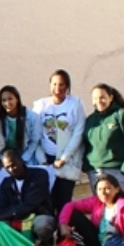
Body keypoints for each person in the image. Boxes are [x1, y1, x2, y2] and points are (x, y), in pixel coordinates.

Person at [33, 69, 87, 215]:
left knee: (64, 202)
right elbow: (35, 135)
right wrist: (42, 160)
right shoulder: (40, 105)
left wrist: (64, 157)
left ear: (67, 86)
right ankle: (48, 235)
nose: (58, 88)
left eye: (62, 84)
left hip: (66, 160)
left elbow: (78, 132)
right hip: (47, 160)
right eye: (55, 84)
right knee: (47, 202)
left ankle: (64, 234)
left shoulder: (75, 104)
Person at [84, 84, 124, 195]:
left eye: (102, 97)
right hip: (95, 173)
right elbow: (86, 145)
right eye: (95, 98)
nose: (99, 101)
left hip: (118, 173)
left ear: (111, 97)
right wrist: (86, 166)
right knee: (101, 210)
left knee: (120, 208)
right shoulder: (90, 120)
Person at [0, 85, 42, 164]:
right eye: (3, 100)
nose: (7, 103)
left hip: (26, 156)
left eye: (10, 99)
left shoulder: (31, 116)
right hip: (5, 156)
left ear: (17, 99)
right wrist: (1, 158)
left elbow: (34, 141)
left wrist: (23, 159)